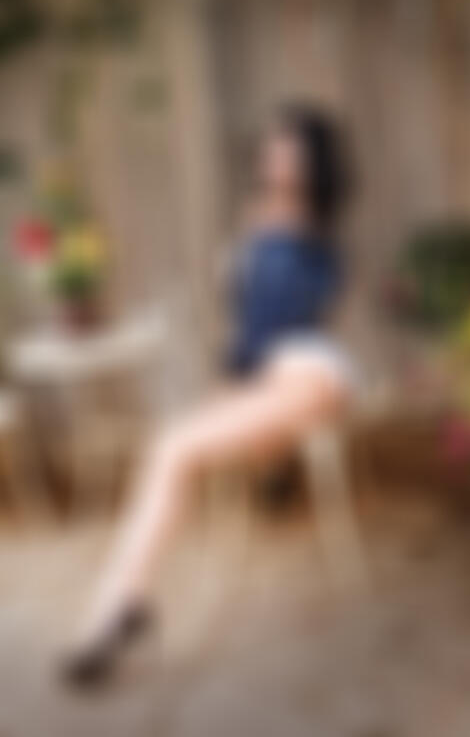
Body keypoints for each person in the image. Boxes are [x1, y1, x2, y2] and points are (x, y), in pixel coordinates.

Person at [63, 103, 359, 686]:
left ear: (312, 161)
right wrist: (230, 381)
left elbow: (277, 321)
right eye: (273, 146)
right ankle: (119, 607)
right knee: (167, 451)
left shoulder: (310, 232)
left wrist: (235, 380)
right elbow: (244, 318)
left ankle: (119, 609)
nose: (276, 156)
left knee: (174, 447)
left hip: (308, 371)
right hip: (266, 375)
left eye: (290, 148)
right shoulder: (263, 219)